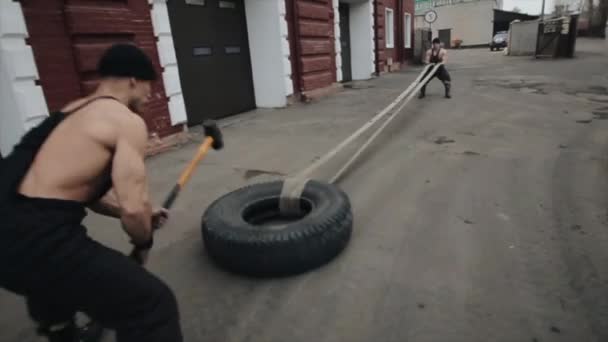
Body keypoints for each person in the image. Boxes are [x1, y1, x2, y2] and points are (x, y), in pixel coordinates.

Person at [0, 44, 183, 342]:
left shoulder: (69, 112)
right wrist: (144, 240)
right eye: (149, 85)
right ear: (134, 80)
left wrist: (143, 215)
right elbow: (133, 209)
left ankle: (59, 329)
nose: (150, 96)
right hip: (39, 240)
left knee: (50, 284)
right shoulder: (125, 121)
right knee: (151, 305)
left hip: (9, 235)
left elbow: (69, 190)